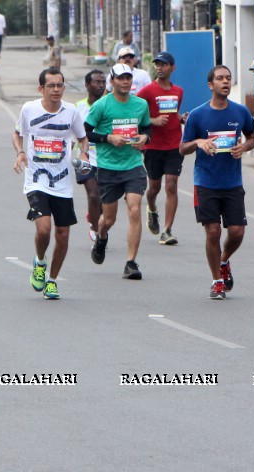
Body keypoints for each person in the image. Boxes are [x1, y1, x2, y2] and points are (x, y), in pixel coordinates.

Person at [179, 65, 254, 299]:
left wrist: (244, 147)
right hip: (205, 182)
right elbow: (182, 148)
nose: (225, 82)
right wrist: (199, 143)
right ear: (210, 85)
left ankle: (224, 260)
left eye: (228, 78)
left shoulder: (240, 112)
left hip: (232, 182)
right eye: (220, 78)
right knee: (212, 231)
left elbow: (252, 137)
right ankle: (216, 281)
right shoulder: (197, 115)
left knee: (236, 232)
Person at [13, 68, 90, 300]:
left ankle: (53, 281)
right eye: (51, 86)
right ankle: (40, 261)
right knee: (44, 229)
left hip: (62, 182)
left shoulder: (71, 111)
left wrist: (84, 154)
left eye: (60, 85)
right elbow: (17, 134)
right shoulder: (29, 109)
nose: (56, 90)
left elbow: (82, 138)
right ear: (41, 89)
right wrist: (19, 153)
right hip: (36, 180)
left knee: (63, 234)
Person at [84, 63, 152, 279]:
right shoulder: (102, 105)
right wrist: (108, 138)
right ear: (111, 82)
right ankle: (101, 237)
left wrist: (144, 137)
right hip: (108, 168)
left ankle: (131, 262)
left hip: (133, 165)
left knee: (134, 210)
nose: (125, 82)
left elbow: (147, 127)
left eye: (128, 78)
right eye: (121, 78)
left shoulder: (141, 104)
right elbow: (86, 132)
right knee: (108, 220)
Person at [138, 52, 185, 246]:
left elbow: (173, 113)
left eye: (164, 64)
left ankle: (167, 230)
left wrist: (181, 118)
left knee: (171, 185)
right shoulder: (147, 91)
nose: (159, 67)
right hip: (153, 146)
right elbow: (135, 113)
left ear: (172, 67)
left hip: (174, 144)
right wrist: (153, 121)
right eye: (157, 64)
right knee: (154, 187)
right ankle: (151, 207)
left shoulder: (178, 91)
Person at [75, 69, 107, 242]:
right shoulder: (78, 107)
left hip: (107, 159)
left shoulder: (109, 105)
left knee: (103, 200)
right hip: (85, 158)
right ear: (87, 85)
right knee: (93, 195)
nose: (101, 85)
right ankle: (95, 229)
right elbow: (69, 133)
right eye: (97, 82)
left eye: (103, 82)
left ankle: (94, 216)